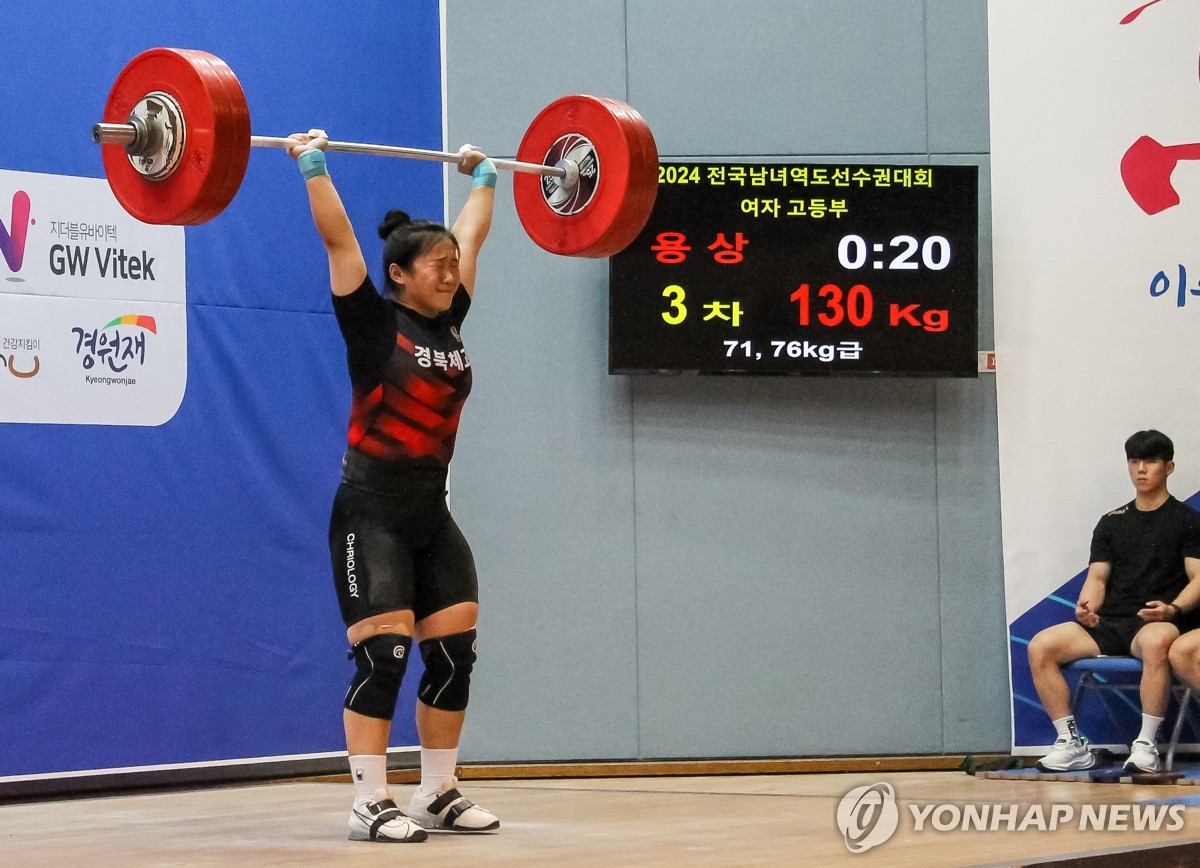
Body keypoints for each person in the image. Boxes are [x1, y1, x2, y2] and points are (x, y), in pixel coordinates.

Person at [289, 129, 499, 842]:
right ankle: (369, 800)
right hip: (368, 515)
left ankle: (437, 791)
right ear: (401, 274)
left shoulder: (452, 319)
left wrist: (486, 181)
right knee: (383, 657)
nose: (451, 273)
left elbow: (472, 234)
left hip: (429, 516)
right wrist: (313, 165)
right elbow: (341, 242)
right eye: (437, 266)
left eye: (453, 266)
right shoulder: (373, 325)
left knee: (453, 654)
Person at [1026, 429, 1200, 773]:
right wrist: (1087, 607)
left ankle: (1146, 745)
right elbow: (1098, 578)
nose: (1141, 469)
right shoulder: (1111, 522)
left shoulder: (1186, 520)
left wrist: (1173, 609)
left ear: (1169, 467)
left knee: (1156, 643)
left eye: (1150, 461)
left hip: (1158, 621)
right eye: (1134, 461)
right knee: (1040, 646)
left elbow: (1198, 579)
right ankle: (1071, 743)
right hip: (1110, 624)